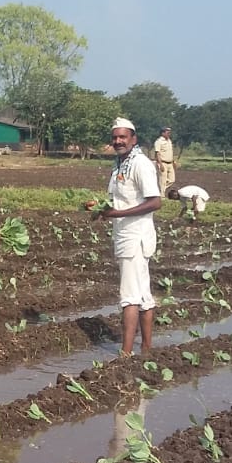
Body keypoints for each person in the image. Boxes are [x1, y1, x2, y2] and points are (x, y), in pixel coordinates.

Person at [93, 118, 162, 358]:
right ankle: (146, 350)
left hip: (135, 237)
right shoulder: (119, 164)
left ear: (133, 139)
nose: (118, 141)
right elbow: (118, 200)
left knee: (130, 296)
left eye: (123, 137)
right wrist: (101, 209)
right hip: (125, 236)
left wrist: (118, 213)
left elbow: (155, 201)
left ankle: (126, 353)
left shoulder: (140, 164)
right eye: (115, 137)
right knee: (143, 295)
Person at [152, 127, 176, 193]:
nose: (169, 134)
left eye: (169, 133)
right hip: (163, 162)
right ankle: (162, 195)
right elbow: (157, 153)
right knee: (163, 179)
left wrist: (173, 161)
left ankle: (159, 190)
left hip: (170, 163)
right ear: (162, 133)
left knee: (172, 180)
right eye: (167, 133)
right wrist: (160, 164)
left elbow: (170, 152)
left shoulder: (169, 141)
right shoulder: (159, 142)